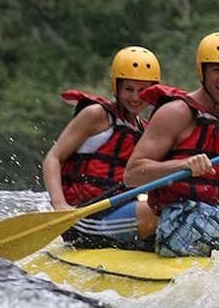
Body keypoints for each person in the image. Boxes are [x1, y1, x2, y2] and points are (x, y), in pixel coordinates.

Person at [123, 32, 219, 257]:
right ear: (202, 72)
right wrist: (181, 166)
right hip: (177, 224)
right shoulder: (175, 113)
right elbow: (131, 175)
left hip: (218, 215)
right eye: (217, 70)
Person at [42, 46, 161, 250]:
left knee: (175, 208)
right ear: (116, 87)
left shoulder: (145, 128)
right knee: (159, 212)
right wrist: (60, 205)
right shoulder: (97, 115)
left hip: (118, 210)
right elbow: (53, 158)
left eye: (143, 90)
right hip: (84, 217)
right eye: (129, 89)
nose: (135, 97)